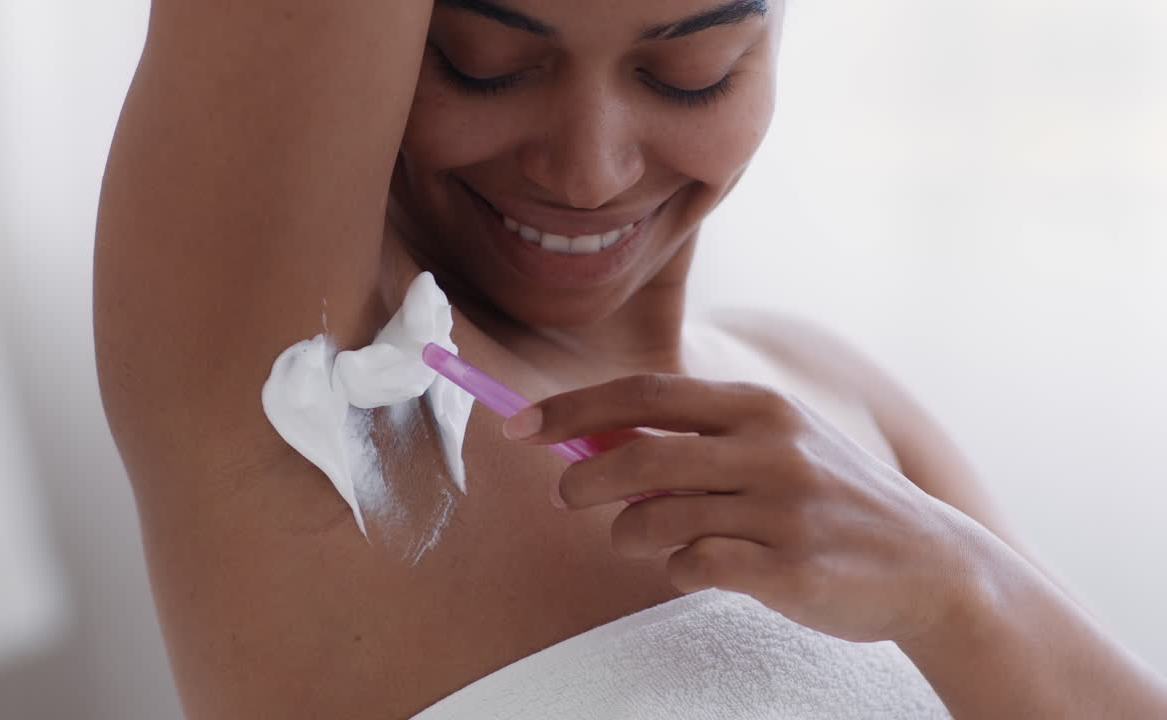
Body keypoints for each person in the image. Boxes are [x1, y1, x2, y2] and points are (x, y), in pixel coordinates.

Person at [93, 1, 1167, 717]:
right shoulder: (318, 406)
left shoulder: (830, 395)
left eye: (688, 75)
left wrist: (960, 587)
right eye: (488, 65)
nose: (586, 171)